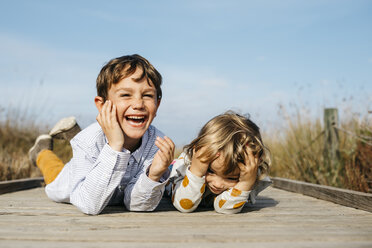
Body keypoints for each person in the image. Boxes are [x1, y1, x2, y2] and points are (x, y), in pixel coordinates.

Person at [28, 54, 175, 215]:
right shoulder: (88, 140)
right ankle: (42, 152)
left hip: (99, 164)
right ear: (102, 105)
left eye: (147, 95)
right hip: (70, 182)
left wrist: (153, 176)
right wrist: (115, 146)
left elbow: (137, 205)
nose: (138, 104)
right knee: (55, 171)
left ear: (157, 104)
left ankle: (72, 136)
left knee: (89, 148)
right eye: (126, 95)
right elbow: (88, 204)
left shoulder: (156, 145)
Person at [169, 111, 271, 214]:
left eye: (231, 178)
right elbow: (185, 206)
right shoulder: (188, 163)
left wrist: (245, 183)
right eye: (211, 171)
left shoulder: (249, 172)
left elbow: (224, 208)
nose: (217, 184)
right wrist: (196, 172)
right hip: (170, 174)